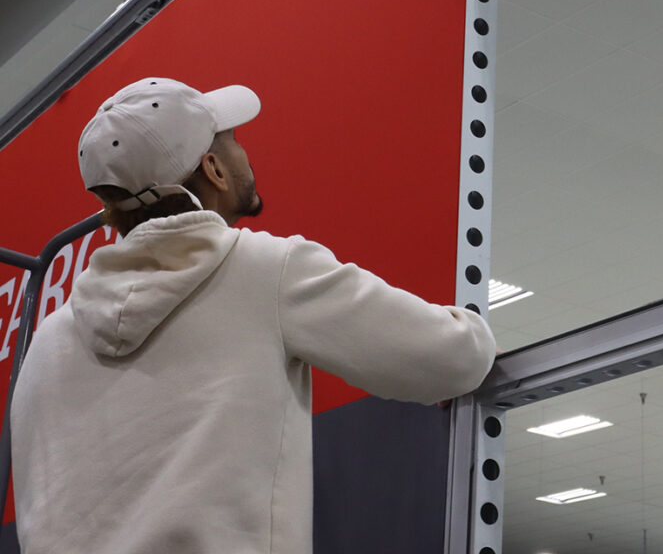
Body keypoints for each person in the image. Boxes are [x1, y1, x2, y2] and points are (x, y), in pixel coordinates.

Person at [10, 77, 497, 554]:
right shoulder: (263, 269)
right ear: (215, 169)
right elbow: (453, 357)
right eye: (233, 142)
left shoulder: (48, 342)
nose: (245, 153)